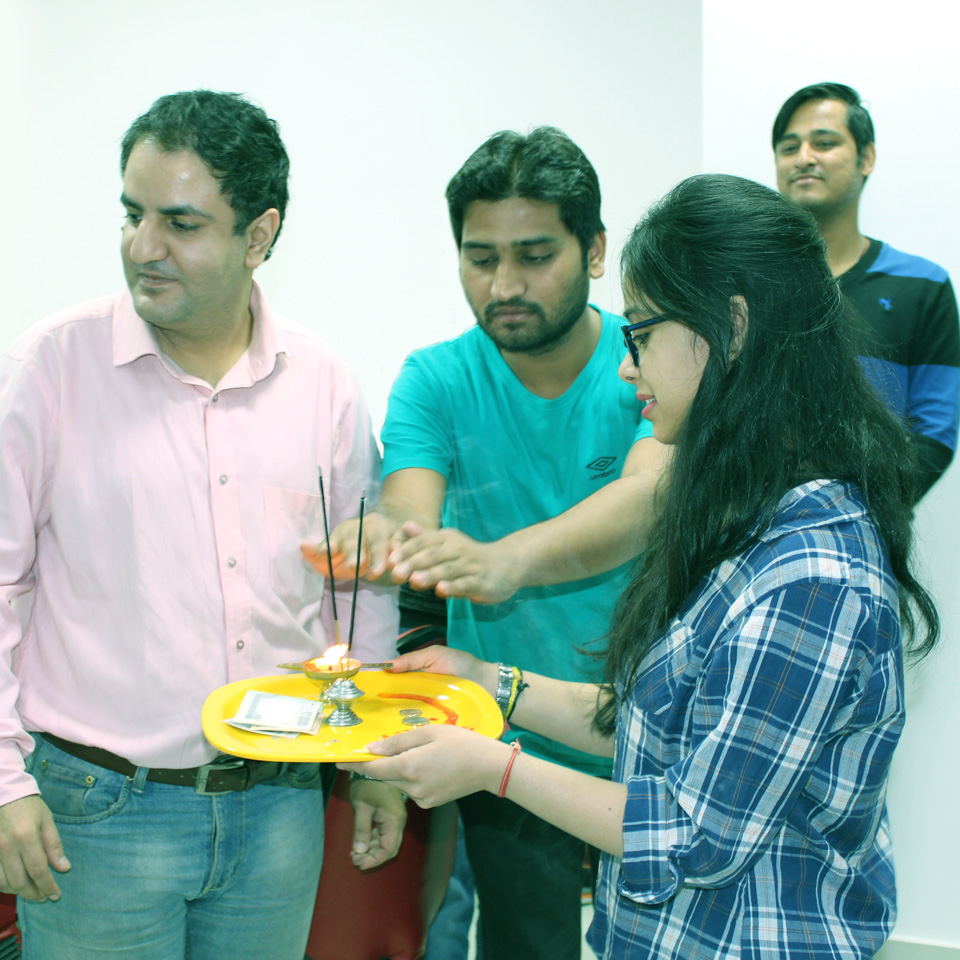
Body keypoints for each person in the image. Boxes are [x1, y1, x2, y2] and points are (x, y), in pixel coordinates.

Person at [340, 173, 941, 959]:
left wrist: (493, 767)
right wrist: (490, 681)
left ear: (730, 328)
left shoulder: (811, 578)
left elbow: (695, 835)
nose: (628, 369)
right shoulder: (745, 518)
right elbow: (661, 722)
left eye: (644, 336)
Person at [0, 90, 401, 960]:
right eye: (132, 214)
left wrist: (374, 761)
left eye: (180, 223)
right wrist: (2, 782)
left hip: (280, 807)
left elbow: (358, 587)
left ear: (259, 235)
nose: (143, 247)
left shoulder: (322, 381)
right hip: (99, 813)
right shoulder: (50, 368)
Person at [305, 127, 666, 959]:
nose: (504, 285)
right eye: (480, 258)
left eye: (534, 255)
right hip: (507, 727)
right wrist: (382, 537)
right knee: (527, 943)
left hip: (651, 720)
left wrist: (505, 561)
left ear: (595, 250)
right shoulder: (436, 378)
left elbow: (646, 498)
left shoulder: (646, 364)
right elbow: (410, 509)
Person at [773, 81, 960, 499]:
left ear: (866, 157)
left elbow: (934, 436)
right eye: (789, 147)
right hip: (747, 526)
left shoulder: (924, 286)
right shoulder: (746, 282)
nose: (804, 158)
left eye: (824, 143)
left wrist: (846, 510)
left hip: (868, 527)